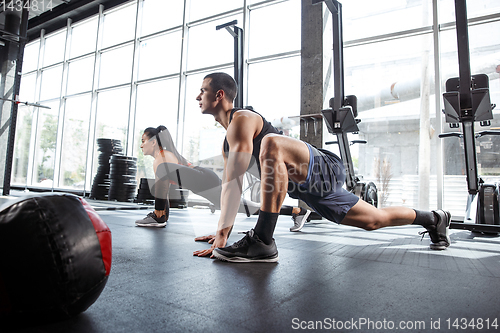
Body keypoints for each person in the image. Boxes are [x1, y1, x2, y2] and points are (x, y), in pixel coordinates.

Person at [193, 72, 451, 262]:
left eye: (202, 90)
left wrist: (224, 237)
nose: (197, 96)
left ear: (219, 95)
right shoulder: (227, 144)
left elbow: (242, 178)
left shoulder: (243, 119)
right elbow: (231, 187)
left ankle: (263, 240)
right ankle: (434, 219)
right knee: (374, 220)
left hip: (322, 167)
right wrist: (220, 234)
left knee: (270, 142)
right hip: (308, 190)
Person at [135, 126, 310, 231]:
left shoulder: (161, 160)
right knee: (248, 207)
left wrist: (160, 215)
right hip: (206, 178)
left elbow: (163, 187)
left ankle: (298, 212)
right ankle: (298, 212)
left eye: (144, 140)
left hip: (205, 182)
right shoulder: (166, 156)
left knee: (247, 208)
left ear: (153, 142)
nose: (141, 144)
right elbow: (164, 189)